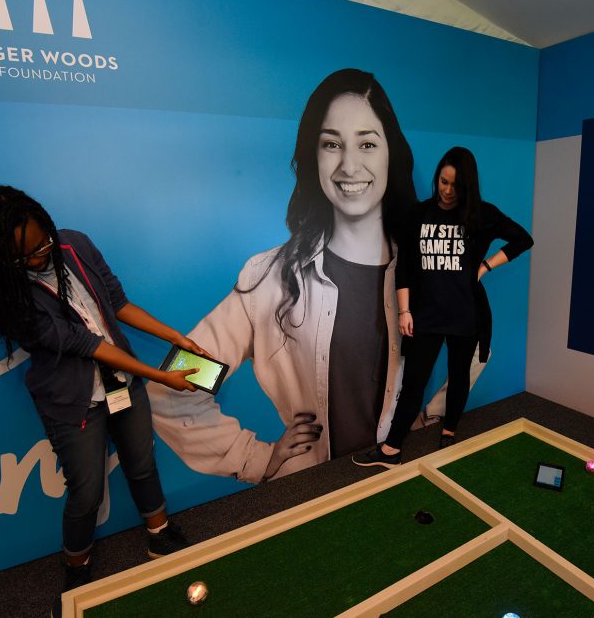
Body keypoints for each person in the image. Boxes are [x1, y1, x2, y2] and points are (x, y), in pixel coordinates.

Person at [149, 69, 476, 482]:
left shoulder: (427, 269)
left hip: (402, 473)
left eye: (367, 143)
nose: (349, 164)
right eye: (332, 143)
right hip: (310, 492)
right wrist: (252, 458)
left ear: (391, 153)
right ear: (313, 155)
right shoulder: (266, 277)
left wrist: (430, 422)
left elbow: (475, 347)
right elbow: (169, 388)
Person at [0, 185, 205, 615]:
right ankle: (77, 566)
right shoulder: (8, 297)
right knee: (86, 490)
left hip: (124, 383)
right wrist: (163, 376)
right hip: (73, 402)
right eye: (27, 255)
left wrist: (174, 336)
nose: (41, 256)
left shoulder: (75, 244)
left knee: (141, 461)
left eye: (44, 243)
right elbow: (84, 343)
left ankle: (160, 534)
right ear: (1, 258)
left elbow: (117, 302)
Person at [353, 146, 533, 468]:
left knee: (459, 376)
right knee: (414, 383)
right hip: (425, 314)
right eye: (443, 182)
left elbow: (523, 239)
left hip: (466, 314)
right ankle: (392, 448)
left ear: (468, 187)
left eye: (456, 186)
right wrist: (405, 312)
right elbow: (405, 266)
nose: (448, 191)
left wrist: (485, 267)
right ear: (438, 177)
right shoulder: (418, 215)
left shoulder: (481, 215)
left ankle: (449, 430)